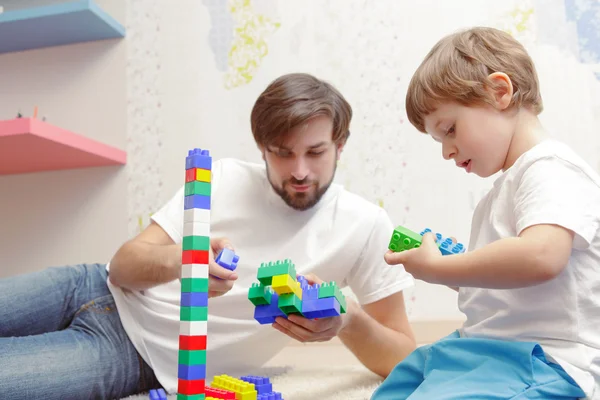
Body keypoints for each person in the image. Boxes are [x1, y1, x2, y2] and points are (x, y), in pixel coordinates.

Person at [0, 73, 416, 400]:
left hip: (134, 354)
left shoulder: (365, 226)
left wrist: (349, 318)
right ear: (262, 147)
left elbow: (405, 356)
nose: (301, 170)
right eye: (283, 153)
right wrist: (185, 260)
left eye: (316, 152)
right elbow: (124, 267)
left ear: (340, 146)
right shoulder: (222, 178)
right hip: (89, 284)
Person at [372, 27, 600, 400]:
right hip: (488, 345)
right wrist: (452, 267)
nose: (446, 151)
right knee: (400, 386)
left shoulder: (551, 168)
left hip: (546, 358)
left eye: (449, 129)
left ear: (499, 92)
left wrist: (439, 268)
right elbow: (506, 283)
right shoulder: (502, 192)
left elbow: (542, 256)